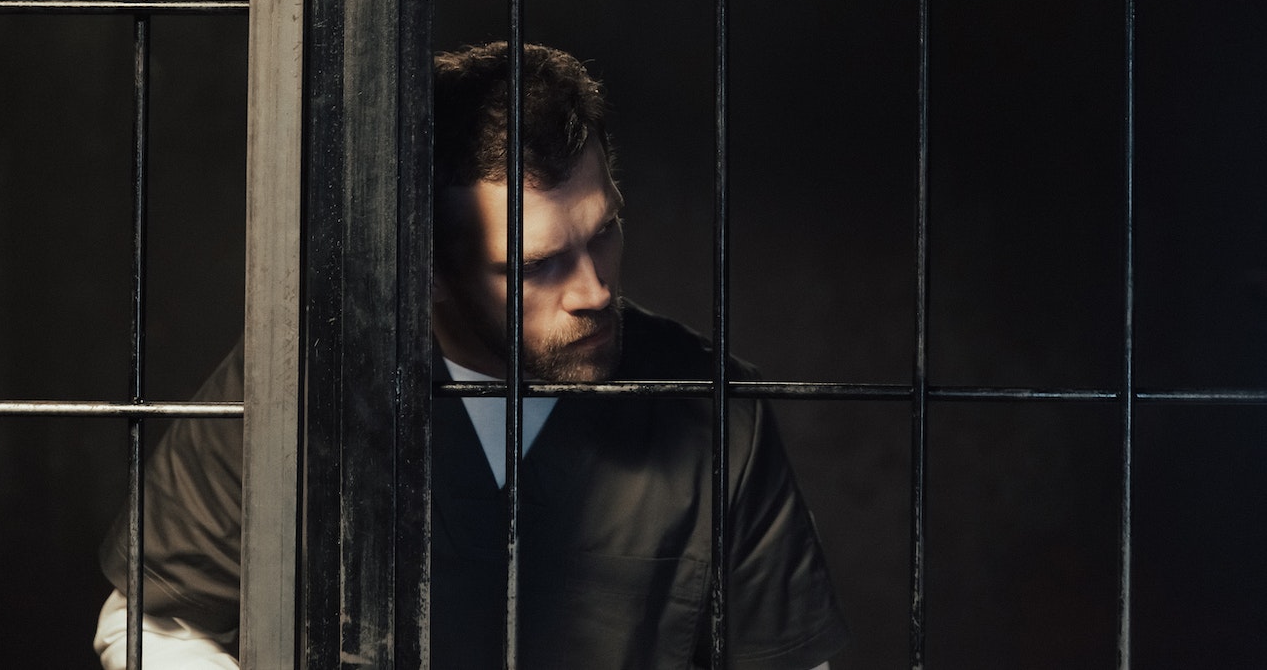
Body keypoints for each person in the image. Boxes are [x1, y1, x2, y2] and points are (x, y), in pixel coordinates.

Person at [94, 41, 847, 669]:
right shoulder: (308, 375)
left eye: (604, 231)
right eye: (534, 264)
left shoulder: (712, 408)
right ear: (423, 270)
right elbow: (152, 622)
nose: (592, 290)